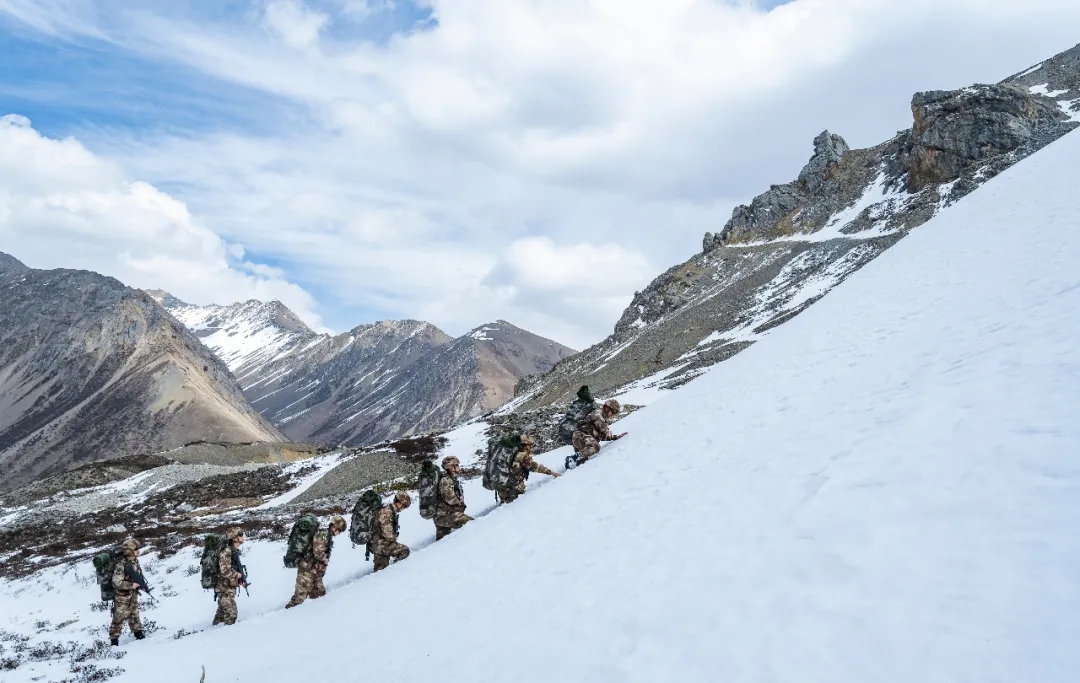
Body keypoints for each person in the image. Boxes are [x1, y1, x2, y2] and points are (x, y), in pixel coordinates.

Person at [286, 516, 346, 608]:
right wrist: (324, 559)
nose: (339, 533)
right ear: (334, 527)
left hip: (315, 571)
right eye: (339, 530)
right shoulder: (323, 534)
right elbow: (317, 552)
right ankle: (285, 617)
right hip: (307, 570)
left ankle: (316, 616)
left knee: (320, 595)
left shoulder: (327, 535)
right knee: (298, 598)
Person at [497, 434, 560, 504]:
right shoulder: (522, 455)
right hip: (513, 489)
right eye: (530, 445)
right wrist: (552, 473)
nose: (530, 447)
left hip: (502, 488)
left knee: (504, 505)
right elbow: (535, 467)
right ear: (525, 445)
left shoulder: (510, 452)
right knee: (512, 506)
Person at [569, 398, 627, 467]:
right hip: (580, 436)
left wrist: (614, 437)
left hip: (581, 438)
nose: (612, 415)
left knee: (582, 462)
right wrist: (609, 434)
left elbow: (602, 436)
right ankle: (574, 458)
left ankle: (571, 461)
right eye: (613, 412)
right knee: (596, 446)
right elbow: (604, 430)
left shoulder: (601, 417)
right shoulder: (598, 415)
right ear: (608, 408)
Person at [109, 538, 145, 646]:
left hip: (132, 595)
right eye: (135, 549)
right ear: (129, 551)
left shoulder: (135, 561)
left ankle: (138, 633)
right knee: (118, 619)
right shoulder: (121, 565)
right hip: (122, 597)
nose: (138, 551)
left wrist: (140, 585)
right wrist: (131, 585)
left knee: (134, 615)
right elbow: (116, 582)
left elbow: (137, 575)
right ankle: (114, 640)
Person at [370, 492, 411, 572]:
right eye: (404, 506)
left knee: (381, 568)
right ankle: (396, 571)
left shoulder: (387, 509)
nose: (403, 509)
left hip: (376, 543)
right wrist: (394, 537)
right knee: (404, 551)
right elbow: (388, 534)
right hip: (382, 544)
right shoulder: (387, 512)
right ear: (399, 503)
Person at [434, 456, 473, 541]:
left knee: (441, 541)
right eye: (457, 465)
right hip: (447, 515)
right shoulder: (446, 481)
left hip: (441, 516)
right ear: (451, 468)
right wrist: (460, 504)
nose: (459, 467)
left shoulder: (450, 479)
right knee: (472, 523)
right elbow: (450, 499)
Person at [213, 527, 246, 626]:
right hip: (224, 588)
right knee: (231, 615)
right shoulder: (227, 551)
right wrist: (237, 575)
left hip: (227, 588)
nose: (242, 537)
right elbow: (225, 571)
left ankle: (211, 632)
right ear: (234, 538)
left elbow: (233, 567)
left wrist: (240, 579)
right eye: (240, 535)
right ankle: (227, 637)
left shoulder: (233, 551)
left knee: (221, 616)